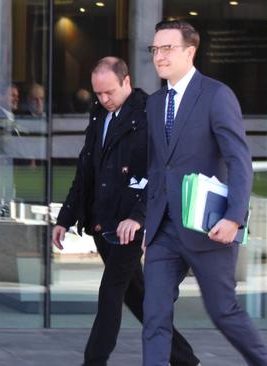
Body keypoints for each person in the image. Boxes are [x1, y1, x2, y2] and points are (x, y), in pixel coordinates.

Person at [140, 20, 267, 366]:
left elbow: (239, 160)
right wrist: (147, 222)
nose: (159, 56)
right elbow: (157, 168)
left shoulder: (216, 95)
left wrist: (234, 218)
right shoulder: (155, 104)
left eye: (167, 48)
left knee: (223, 312)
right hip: (163, 232)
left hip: (209, 229)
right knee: (153, 315)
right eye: (155, 49)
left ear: (190, 51)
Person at [52, 57, 199, 366]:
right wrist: (65, 218)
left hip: (129, 226)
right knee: (138, 299)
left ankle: (94, 360)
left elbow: (161, 173)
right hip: (101, 224)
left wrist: (139, 217)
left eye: (109, 92)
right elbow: (86, 171)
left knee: (110, 293)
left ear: (126, 82)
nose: (104, 99)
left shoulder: (149, 114)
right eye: (98, 94)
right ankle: (185, 359)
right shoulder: (98, 116)